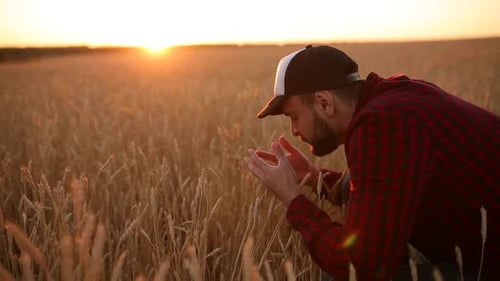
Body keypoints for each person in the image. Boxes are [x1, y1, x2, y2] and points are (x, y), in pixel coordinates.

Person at [244, 45, 499, 281]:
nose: (294, 130)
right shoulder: (393, 99)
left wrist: (293, 199)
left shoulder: (381, 125)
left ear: (324, 102)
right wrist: (314, 177)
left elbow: (360, 265)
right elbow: (379, 188)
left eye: (294, 116)